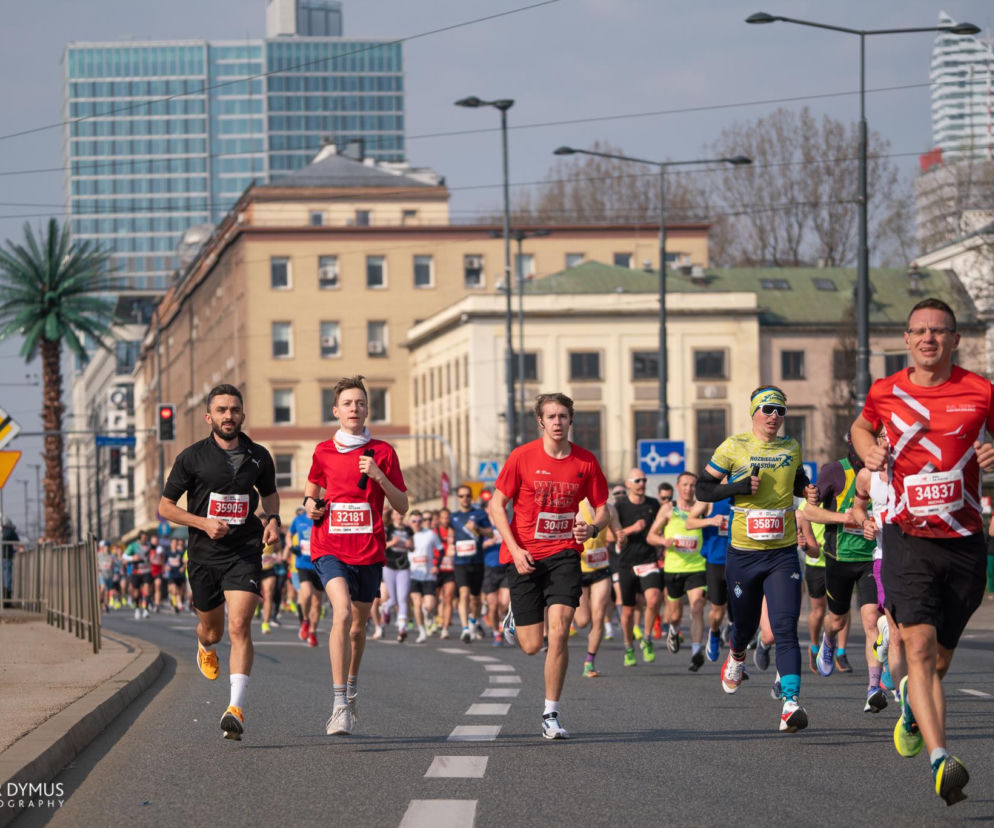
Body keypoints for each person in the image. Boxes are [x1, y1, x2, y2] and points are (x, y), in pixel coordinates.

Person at [850, 297, 994, 806]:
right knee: (918, 648)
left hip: (965, 542)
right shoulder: (886, 391)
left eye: (939, 330)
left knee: (939, 661)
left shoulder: (980, 391)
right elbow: (861, 425)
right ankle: (941, 761)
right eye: (919, 331)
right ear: (907, 340)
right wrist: (867, 447)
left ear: (955, 340)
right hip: (908, 539)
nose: (929, 338)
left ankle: (913, 707)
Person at [696, 385, 847, 733]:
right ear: (754, 412)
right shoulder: (733, 446)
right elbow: (705, 487)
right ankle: (735, 658)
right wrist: (735, 487)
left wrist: (806, 489)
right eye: (767, 409)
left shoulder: (791, 446)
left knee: (784, 628)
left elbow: (795, 481)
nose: (774, 416)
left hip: (781, 554)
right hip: (743, 555)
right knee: (746, 627)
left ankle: (790, 702)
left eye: (780, 411)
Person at [159, 384, 280, 741]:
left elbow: (270, 494)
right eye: (222, 410)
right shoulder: (192, 457)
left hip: (244, 550)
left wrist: (272, 521)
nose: (229, 416)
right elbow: (165, 507)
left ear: (243, 415)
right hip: (203, 555)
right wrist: (202, 523)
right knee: (213, 629)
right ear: (209, 416)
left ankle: (235, 708)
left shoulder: (259, 456)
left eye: (235, 409)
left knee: (240, 624)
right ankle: (205, 645)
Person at [489, 393, 609, 740]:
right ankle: (515, 617)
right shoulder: (522, 457)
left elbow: (604, 508)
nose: (557, 422)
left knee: (560, 631)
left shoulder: (585, 462)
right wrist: (513, 549)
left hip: (564, 555)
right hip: (524, 555)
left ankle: (550, 713)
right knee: (530, 645)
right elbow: (497, 507)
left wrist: (593, 528)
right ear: (540, 422)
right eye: (551, 417)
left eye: (563, 416)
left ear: (571, 420)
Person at [303, 375, 408, 736]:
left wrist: (379, 476)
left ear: (367, 409)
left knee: (358, 627)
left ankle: (350, 685)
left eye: (360, 403)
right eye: (347, 403)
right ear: (336, 411)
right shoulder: (323, 451)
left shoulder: (383, 452)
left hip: (368, 550)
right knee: (343, 613)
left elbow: (402, 504)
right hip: (329, 546)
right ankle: (338, 706)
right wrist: (308, 505)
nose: (354, 408)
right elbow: (312, 486)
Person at [812, 439, 887, 714]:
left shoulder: (884, 472)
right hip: (839, 559)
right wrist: (844, 519)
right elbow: (808, 511)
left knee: (871, 621)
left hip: (871, 558)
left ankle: (873, 688)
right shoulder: (835, 471)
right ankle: (828, 641)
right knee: (837, 620)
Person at [648, 471, 708, 671]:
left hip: (697, 566)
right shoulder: (668, 508)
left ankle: (696, 651)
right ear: (678, 486)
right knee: (674, 615)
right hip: (674, 567)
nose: (689, 489)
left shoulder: (702, 507)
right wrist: (663, 541)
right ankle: (673, 630)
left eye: (692, 485)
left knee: (697, 605)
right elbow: (651, 536)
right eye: (685, 485)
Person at [614, 469, 661, 667]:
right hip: (626, 563)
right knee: (627, 611)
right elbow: (611, 536)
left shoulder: (653, 504)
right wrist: (632, 529)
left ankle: (647, 639)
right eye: (637, 480)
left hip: (648, 560)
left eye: (644, 480)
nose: (641, 483)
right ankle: (628, 647)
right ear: (628, 484)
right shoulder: (620, 506)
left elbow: (661, 526)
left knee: (654, 599)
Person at [575, 496, 620, 677]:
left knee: (599, 615)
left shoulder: (609, 509)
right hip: (579, 569)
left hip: (601, 568)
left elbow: (617, 532)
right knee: (582, 621)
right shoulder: (575, 507)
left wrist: (621, 538)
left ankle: (589, 663)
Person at [451, 485, 494, 643]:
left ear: (471, 497)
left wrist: (478, 529)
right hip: (460, 561)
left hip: (477, 561)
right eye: (461, 496)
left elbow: (490, 533)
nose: (465, 499)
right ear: (458, 498)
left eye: (468, 496)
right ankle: (465, 629)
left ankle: (473, 621)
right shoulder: (453, 517)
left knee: (475, 599)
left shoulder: (479, 514)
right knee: (464, 594)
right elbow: (449, 534)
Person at [290, 505, 322, 647]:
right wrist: (292, 546)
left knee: (317, 602)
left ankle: (313, 632)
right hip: (303, 564)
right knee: (307, 594)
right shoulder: (299, 519)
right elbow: (289, 534)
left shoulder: (323, 519)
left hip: (320, 564)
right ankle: (305, 620)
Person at [408, 510, 443, 642]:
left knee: (428, 605)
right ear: (410, 522)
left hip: (428, 575)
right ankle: (422, 631)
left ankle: (429, 615)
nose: (417, 523)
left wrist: (436, 566)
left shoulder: (430, 534)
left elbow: (441, 550)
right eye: (414, 521)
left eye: (419, 521)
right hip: (413, 575)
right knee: (416, 603)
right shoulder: (407, 535)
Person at [382, 509, 414, 642]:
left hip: (404, 566)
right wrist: (391, 543)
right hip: (389, 566)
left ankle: (402, 629)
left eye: (401, 513)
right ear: (392, 516)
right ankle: (385, 609)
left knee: (402, 599)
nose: (399, 515)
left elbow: (413, 548)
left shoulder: (408, 530)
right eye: (396, 513)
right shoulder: (388, 529)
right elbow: (380, 546)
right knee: (393, 600)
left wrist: (410, 546)